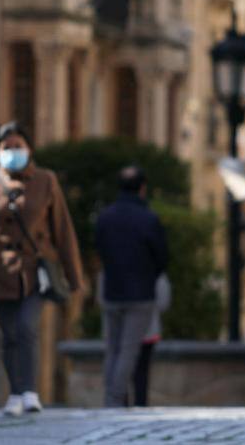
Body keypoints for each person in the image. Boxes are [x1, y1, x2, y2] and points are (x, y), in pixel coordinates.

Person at [0, 121, 83, 416]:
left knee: (26, 327)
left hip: (35, 270)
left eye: (18, 146)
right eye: (6, 148)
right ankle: (15, 392)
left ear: (29, 149)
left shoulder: (46, 181)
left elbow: (63, 229)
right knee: (9, 333)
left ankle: (29, 390)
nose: (12, 152)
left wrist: (73, 274)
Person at [96, 166, 168, 407]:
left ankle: (110, 396)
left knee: (113, 348)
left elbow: (100, 251)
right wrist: (148, 275)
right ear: (142, 188)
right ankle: (115, 398)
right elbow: (161, 257)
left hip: (112, 290)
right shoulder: (149, 219)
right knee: (129, 350)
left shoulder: (104, 217)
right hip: (141, 294)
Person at [132, 272, 171, 407]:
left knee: (122, 367)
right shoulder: (154, 269)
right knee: (142, 372)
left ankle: (120, 403)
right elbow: (163, 301)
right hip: (147, 328)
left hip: (123, 328)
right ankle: (140, 403)